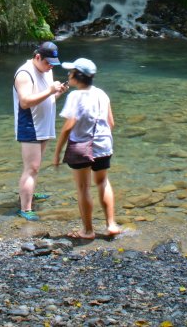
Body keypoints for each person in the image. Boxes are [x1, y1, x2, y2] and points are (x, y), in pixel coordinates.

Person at [52, 57, 121, 240]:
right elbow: (111, 123)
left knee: (83, 187)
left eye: (70, 72)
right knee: (103, 182)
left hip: (81, 147)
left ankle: (88, 231)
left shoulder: (75, 96)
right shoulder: (102, 94)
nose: (68, 75)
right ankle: (111, 224)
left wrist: (57, 152)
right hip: (104, 145)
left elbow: (68, 127)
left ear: (77, 76)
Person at [13, 41, 66, 221]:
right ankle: (25, 209)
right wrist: (51, 90)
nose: (50, 66)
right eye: (47, 62)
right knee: (32, 167)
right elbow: (25, 102)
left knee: (36, 166)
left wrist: (58, 92)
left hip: (44, 124)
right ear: (37, 57)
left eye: (53, 63)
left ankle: (30, 193)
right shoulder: (24, 73)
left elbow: (45, 98)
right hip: (30, 125)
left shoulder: (47, 70)